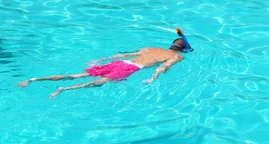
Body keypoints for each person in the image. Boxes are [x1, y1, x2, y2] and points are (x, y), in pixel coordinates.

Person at [18, 28, 194, 98]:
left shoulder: (151, 48)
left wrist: (100, 60)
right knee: (97, 84)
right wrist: (152, 78)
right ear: (182, 49)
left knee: (76, 74)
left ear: (171, 44)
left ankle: (34, 79)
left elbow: (122, 54)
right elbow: (164, 67)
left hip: (121, 62)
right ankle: (63, 89)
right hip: (130, 68)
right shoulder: (178, 57)